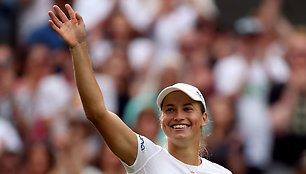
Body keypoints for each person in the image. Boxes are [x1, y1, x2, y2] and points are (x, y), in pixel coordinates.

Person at [48, 4, 231, 173]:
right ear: (162, 120)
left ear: (204, 118)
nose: (178, 116)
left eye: (187, 108)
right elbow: (97, 113)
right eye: (170, 109)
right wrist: (79, 47)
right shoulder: (146, 156)